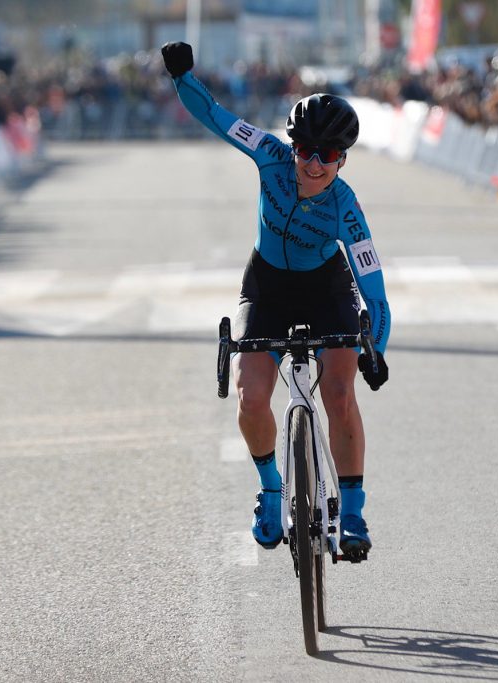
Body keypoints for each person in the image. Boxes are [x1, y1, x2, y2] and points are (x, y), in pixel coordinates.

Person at [160, 42, 391, 560]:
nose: (312, 164)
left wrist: (375, 347)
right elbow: (217, 119)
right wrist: (182, 78)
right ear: (291, 147)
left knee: (338, 392)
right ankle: (270, 489)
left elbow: (373, 290)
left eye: (327, 156)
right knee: (250, 396)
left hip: (325, 289)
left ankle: (351, 510)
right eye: (304, 150)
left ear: (342, 159)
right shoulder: (268, 154)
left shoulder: (346, 208)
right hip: (266, 285)